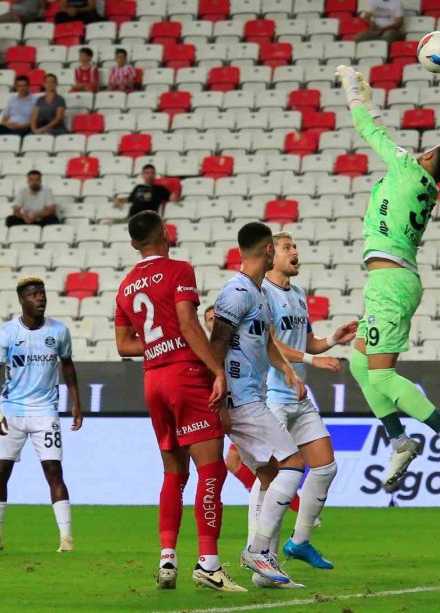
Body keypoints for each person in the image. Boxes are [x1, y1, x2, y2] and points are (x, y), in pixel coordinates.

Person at [335, 65, 440, 491]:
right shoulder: (424, 183)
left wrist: (356, 94)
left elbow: (368, 130)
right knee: (359, 362)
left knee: (380, 375)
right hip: (389, 280)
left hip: (391, 284)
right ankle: (399, 439)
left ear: (429, 157)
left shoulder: (409, 169)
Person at [113, 211, 243, 593]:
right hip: (185, 376)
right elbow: (188, 323)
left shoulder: (125, 286)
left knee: (173, 473)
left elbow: (123, 346)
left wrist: (158, 343)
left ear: (134, 244)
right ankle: (209, 563)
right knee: (210, 470)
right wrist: (216, 369)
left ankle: (167, 559)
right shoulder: (178, 270)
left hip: (153, 380)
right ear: (166, 234)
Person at [208, 222, 307, 586]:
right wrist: (218, 398)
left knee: (268, 474)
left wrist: (290, 371)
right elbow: (215, 344)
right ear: (268, 251)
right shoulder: (236, 292)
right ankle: (258, 550)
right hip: (240, 399)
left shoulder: (258, 293)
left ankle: (265, 570)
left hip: (250, 395)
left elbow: (266, 343)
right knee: (294, 465)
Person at [261, 231, 358, 576]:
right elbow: (271, 345)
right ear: (271, 255)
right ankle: (261, 561)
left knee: (326, 466)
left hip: (298, 396)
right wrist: (312, 361)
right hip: (270, 395)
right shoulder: (262, 293)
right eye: (288, 248)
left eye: (296, 247)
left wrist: (333, 339)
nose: (295, 252)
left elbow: (307, 343)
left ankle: (299, 541)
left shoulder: (299, 295)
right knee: (272, 478)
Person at [0, 277, 83, 554]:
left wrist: (76, 402)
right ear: (22, 301)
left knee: (54, 471)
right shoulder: (7, 333)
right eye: (35, 295)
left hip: (45, 413)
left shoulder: (59, 331)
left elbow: (69, 368)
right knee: (1, 471)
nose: (41, 298)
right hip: (11, 412)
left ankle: (66, 538)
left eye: (43, 294)